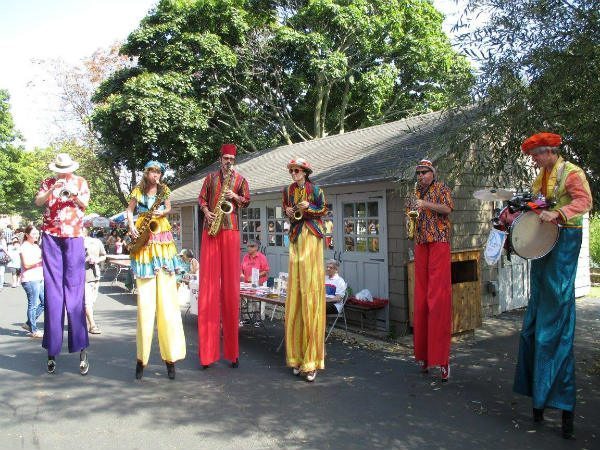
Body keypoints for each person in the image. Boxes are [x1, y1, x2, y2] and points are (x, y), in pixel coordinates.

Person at [513, 133, 592, 439]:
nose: (533, 161)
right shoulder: (542, 176)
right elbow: (537, 202)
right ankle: (538, 397)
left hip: (565, 244)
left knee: (555, 316)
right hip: (544, 244)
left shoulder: (571, 172)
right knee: (535, 321)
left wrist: (557, 212)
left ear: (548, 152)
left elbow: (584, 201)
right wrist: (525, 207)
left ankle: (558, 400)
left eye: (535, 155)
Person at [127, 160, 186, 380]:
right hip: (144, 240)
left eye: (159, 172)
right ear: (147, 173)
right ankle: (141, 360)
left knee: (168, 307)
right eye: (153, 171)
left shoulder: (164, 190)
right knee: (145, 307)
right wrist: (132, 225)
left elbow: (169, 207)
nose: (156, 175)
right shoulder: (138, 190)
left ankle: (171, 360)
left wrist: (162, 213)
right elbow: (129, 210)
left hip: (162, 237)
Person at [34, 153, 91, 375]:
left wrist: (73, 194)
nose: (62, 171)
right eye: (59, 168)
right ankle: (52, 350)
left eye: (65, 168)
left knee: (75, 293)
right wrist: (52, 190)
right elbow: (39, 201)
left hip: (74, 236)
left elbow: (85, 205)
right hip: (50, 236)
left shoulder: (80, 181)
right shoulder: (48, 182)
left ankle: (81, 349)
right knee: (53, 294)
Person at [198, 143, 250, 369]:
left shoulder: (240, 180)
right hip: (211, 231)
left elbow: (247, 201)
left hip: (231, 231)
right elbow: (201, 199)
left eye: (232, 158)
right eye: (225, 158)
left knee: (231, 291)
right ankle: (207, 355)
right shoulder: (209, 179)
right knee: (208, 290)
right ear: (220, 159)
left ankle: (232, 353)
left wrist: (235, 197)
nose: (229, 161)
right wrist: (206, 211)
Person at [282, 157, 328, 382]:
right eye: (291, 171)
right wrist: (289, 212)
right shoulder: (288, 190)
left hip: (311, 236)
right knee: (296, 296)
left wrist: (308, 207)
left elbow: (323, 210)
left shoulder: (316, 190)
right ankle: (297, 357)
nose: (293, 174)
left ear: (305, 172)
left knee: (310, 295)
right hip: (295, 238)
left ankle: (311, 361)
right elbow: (285, 211)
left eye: (296, 170)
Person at [409, 159, 454, 382]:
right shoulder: (415, 191)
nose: (420, 176)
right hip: (420, 242)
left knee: (437, 300)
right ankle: (425, 356)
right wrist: (412, 212)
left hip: (439, 242)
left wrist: (424, 204)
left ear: (432, 173)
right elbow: (411, 213)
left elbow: (447, 208)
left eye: (424, 172)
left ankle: (443, 361)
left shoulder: (442, 188)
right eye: (418, 173)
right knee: (421, 301)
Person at [20, 225, 44, 338]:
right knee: (33, 304)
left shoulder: (36, 246)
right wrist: (39, 261)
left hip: (39, 278)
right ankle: (33, 330)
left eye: (37, 233)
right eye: (33, 233)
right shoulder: (24, 246)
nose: (36, 235)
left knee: (45, 302)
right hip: (30, 279)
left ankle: (29, 323)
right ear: (27, 235)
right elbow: (26, 264)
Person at [83, 227, 106, 334]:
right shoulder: (74, 244)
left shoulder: (96, 242)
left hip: (95, 275)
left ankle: (83, 321)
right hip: (83, 276)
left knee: (91, 301)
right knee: (87, 302)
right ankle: (92, 325)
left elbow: (104, 255)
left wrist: (97, 260)